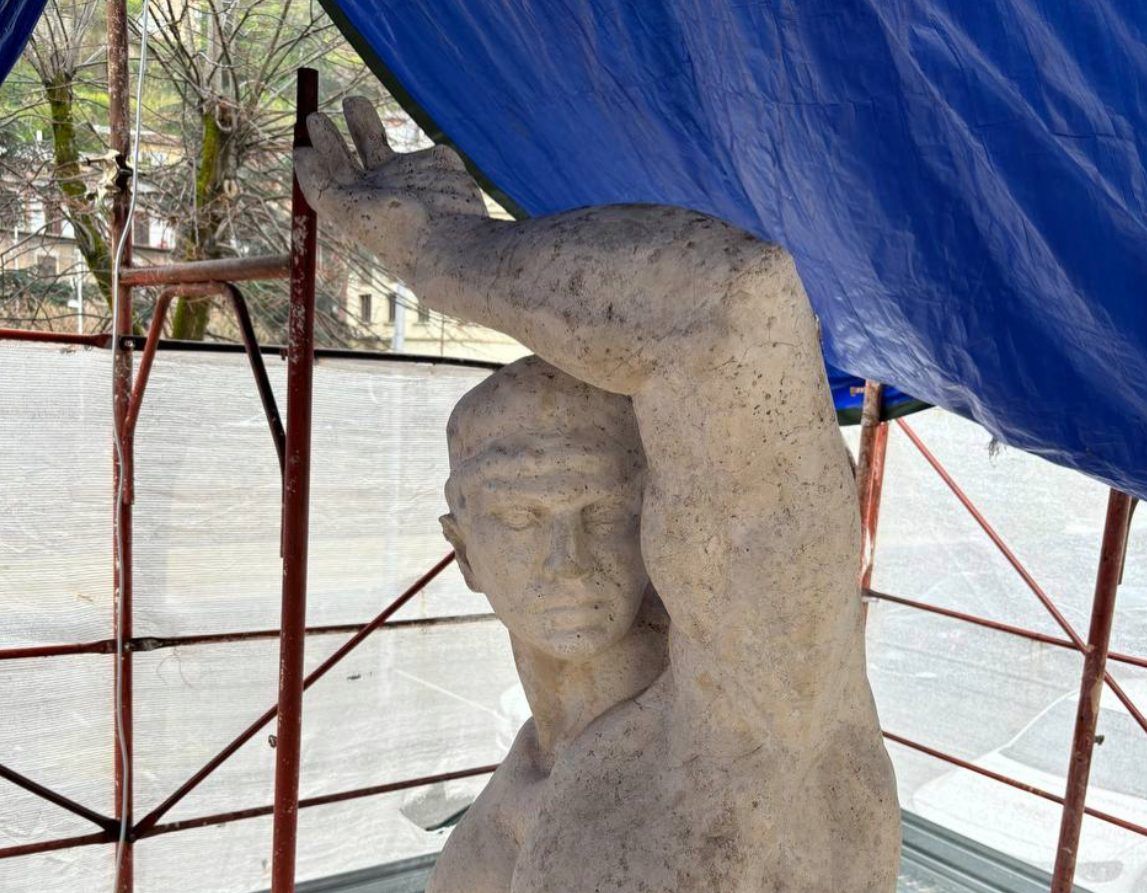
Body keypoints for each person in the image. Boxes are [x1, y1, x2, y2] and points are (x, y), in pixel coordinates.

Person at [296, 98, 899, 892]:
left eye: (602, 510)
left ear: (662, 511)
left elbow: (728, 304)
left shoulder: (758, 709)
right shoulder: (517, 793)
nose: (566, 560)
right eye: (519, 514)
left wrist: (445, 252)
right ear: (463, 548)